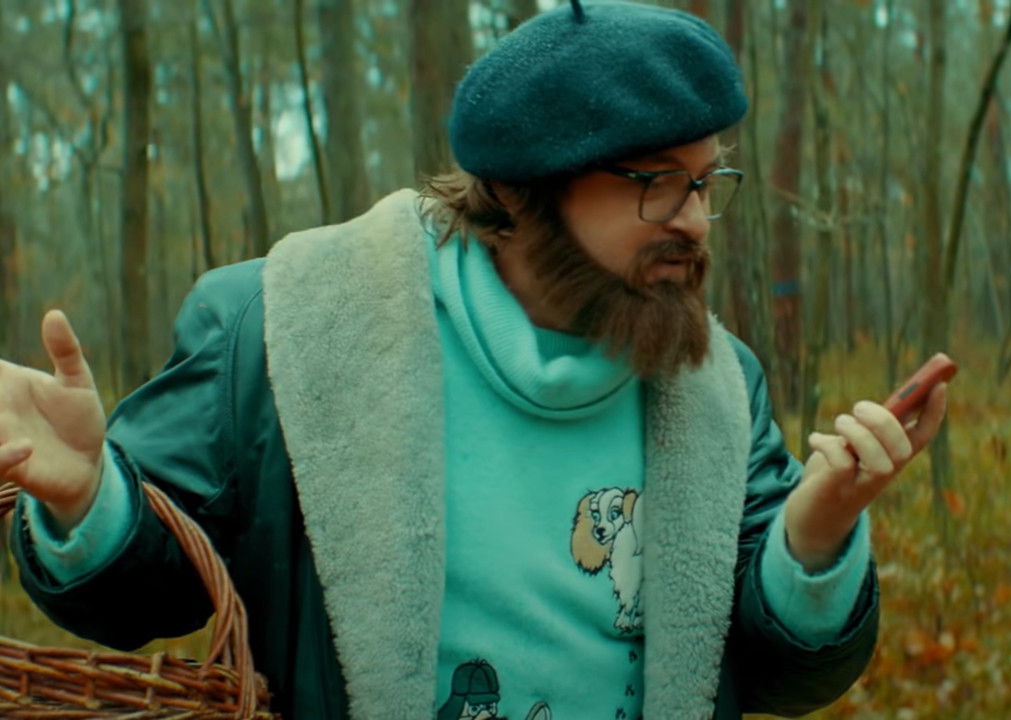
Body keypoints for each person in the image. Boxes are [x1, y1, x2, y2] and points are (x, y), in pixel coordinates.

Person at [0, 1, 948, 719]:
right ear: (523, 190)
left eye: (707, 182)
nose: (696, 221)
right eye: (657, 184)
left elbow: (778, 676)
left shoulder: (716, 383)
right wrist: (90, 499)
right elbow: (145, 599)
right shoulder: (283, 328)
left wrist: (814, 537)